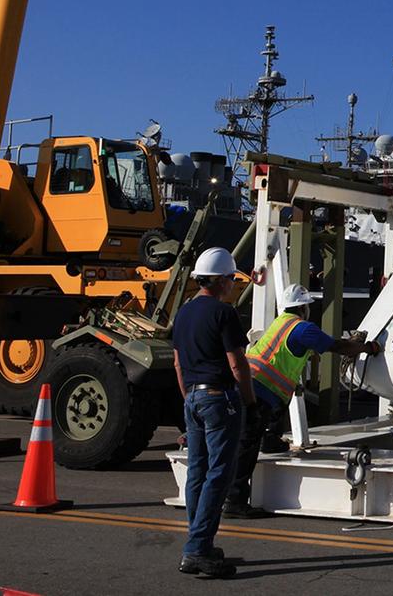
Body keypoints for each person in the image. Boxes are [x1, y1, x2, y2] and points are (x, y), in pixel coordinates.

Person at [224, 282, 383, 518]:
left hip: (250, 383)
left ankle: (270, 441)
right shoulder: (302, 328)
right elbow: (337, 346)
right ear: (303, 308)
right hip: (262, 390)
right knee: (246, 445)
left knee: (252, 433)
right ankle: (234, 501)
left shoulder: (280, 322)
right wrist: (368, 348)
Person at [171, 247, 254, 579]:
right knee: (219, 474)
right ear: (220, 280)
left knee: (197, 472)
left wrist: (189, 399)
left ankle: (199, 541)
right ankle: (197, 549)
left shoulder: (183, 313)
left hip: (193, 397)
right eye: (232, 278)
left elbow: (178, 364)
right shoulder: (224, 313)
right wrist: (250, 402)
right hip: (219, 398)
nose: (233, 284)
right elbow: (237, 364)